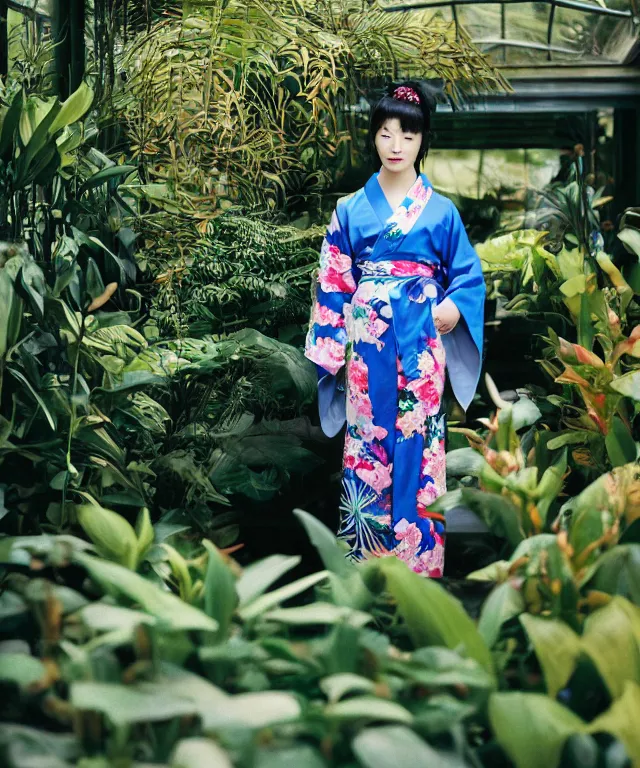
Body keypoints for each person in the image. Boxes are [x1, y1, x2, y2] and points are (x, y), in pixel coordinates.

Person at [304, 81, 485, 577]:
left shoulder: (443, 210)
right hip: (367, 347)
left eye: (407, 134)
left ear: (423, 140)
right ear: (374, 138)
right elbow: (334, 282)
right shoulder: (349, 209)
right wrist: (333, 351)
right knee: (367, 439)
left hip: (422, 339)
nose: (396, 145)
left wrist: (454, 307)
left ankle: (420, 566)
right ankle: (365, 567)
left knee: (421, 440)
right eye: (386, 134)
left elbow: (468, 275)